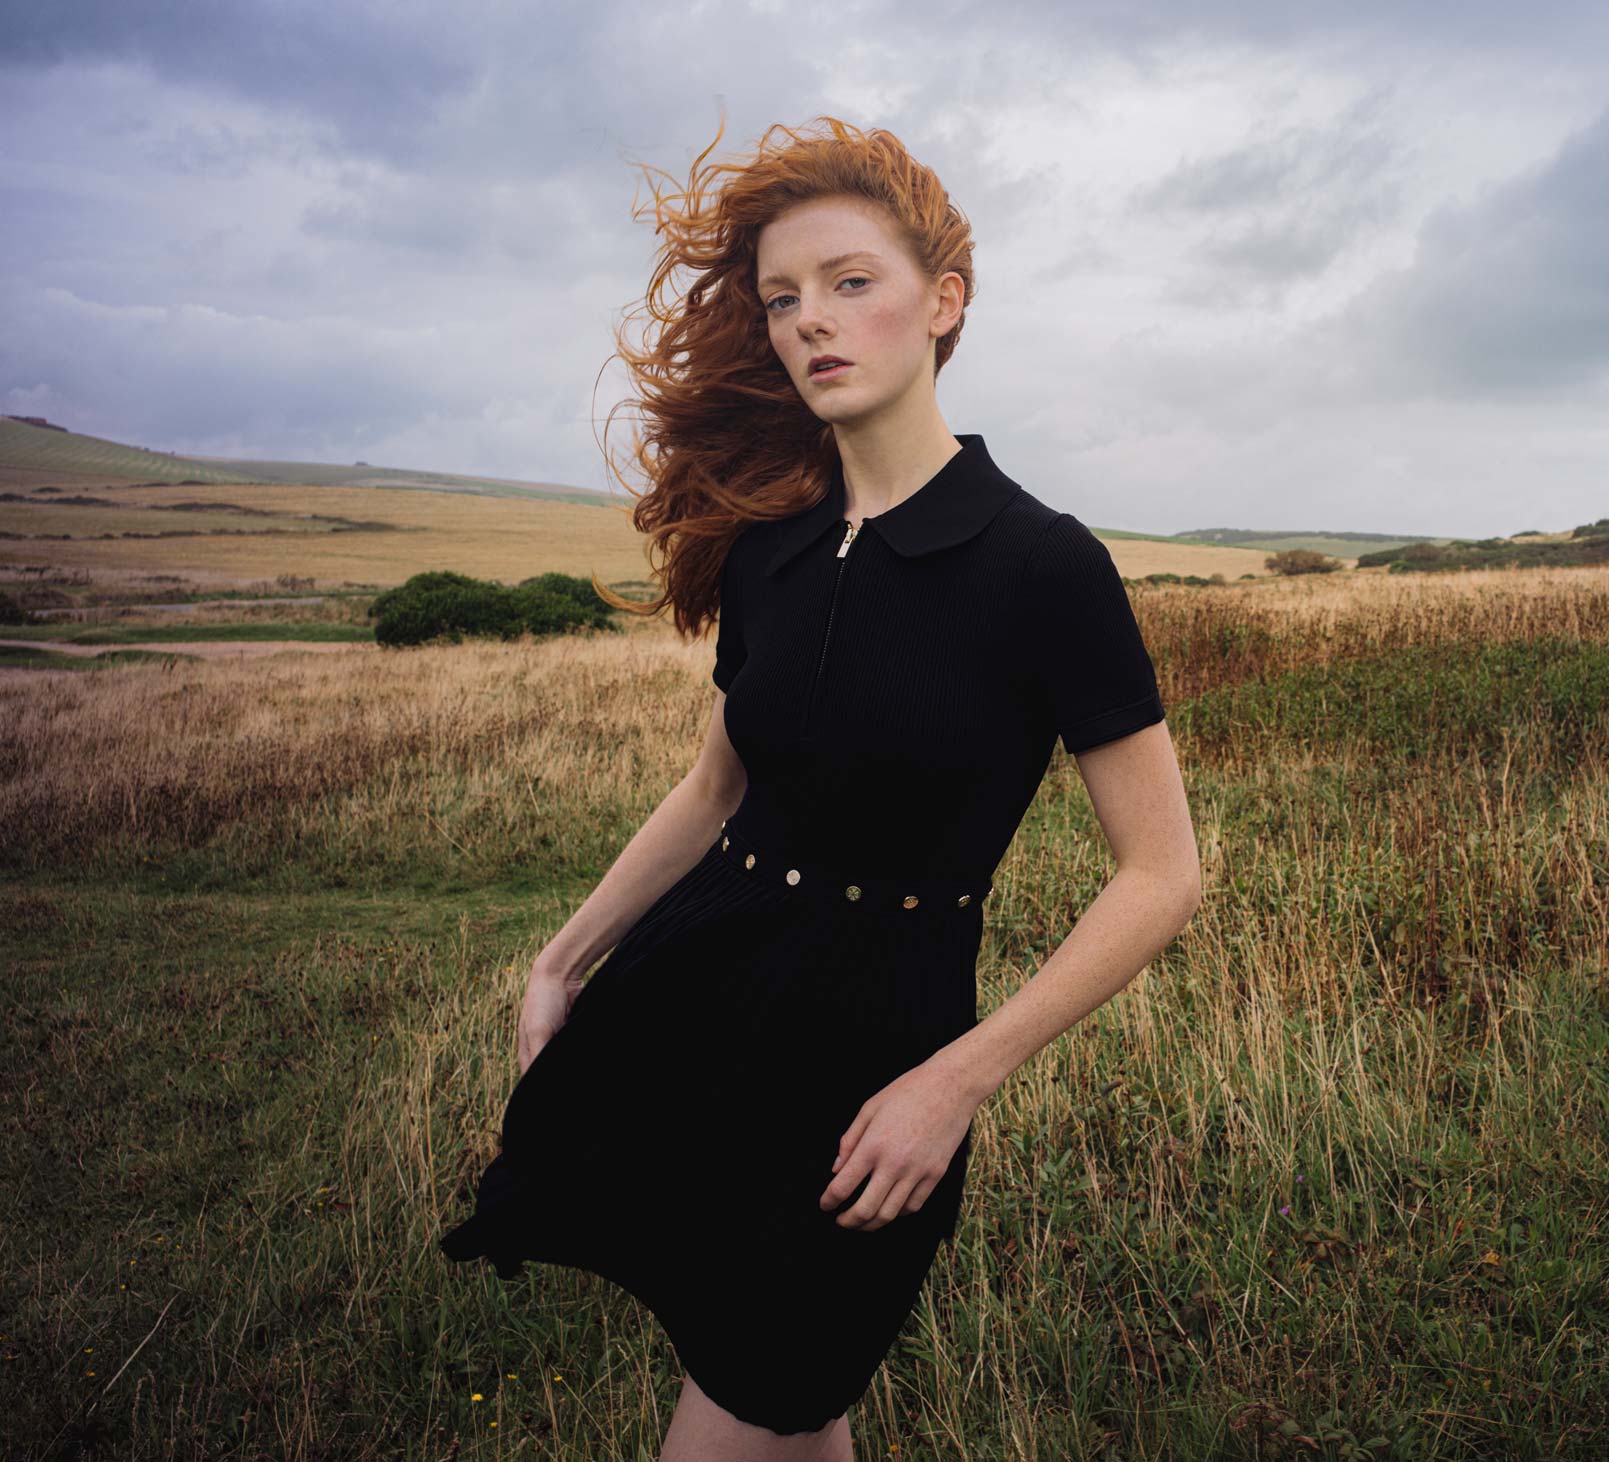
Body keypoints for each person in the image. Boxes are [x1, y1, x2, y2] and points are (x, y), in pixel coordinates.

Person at [436, 115, 1202, 1459]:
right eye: (783, 299)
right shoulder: (771, 552)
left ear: (943, 302)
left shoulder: (1043, 568)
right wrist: (565, 956)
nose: (810, 323)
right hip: (706, 996)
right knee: (776, 1390)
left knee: (767, 1383)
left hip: (873, 1067)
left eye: (851, 281)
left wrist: (955, 1082)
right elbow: (716, 785)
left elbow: (1163, 872)